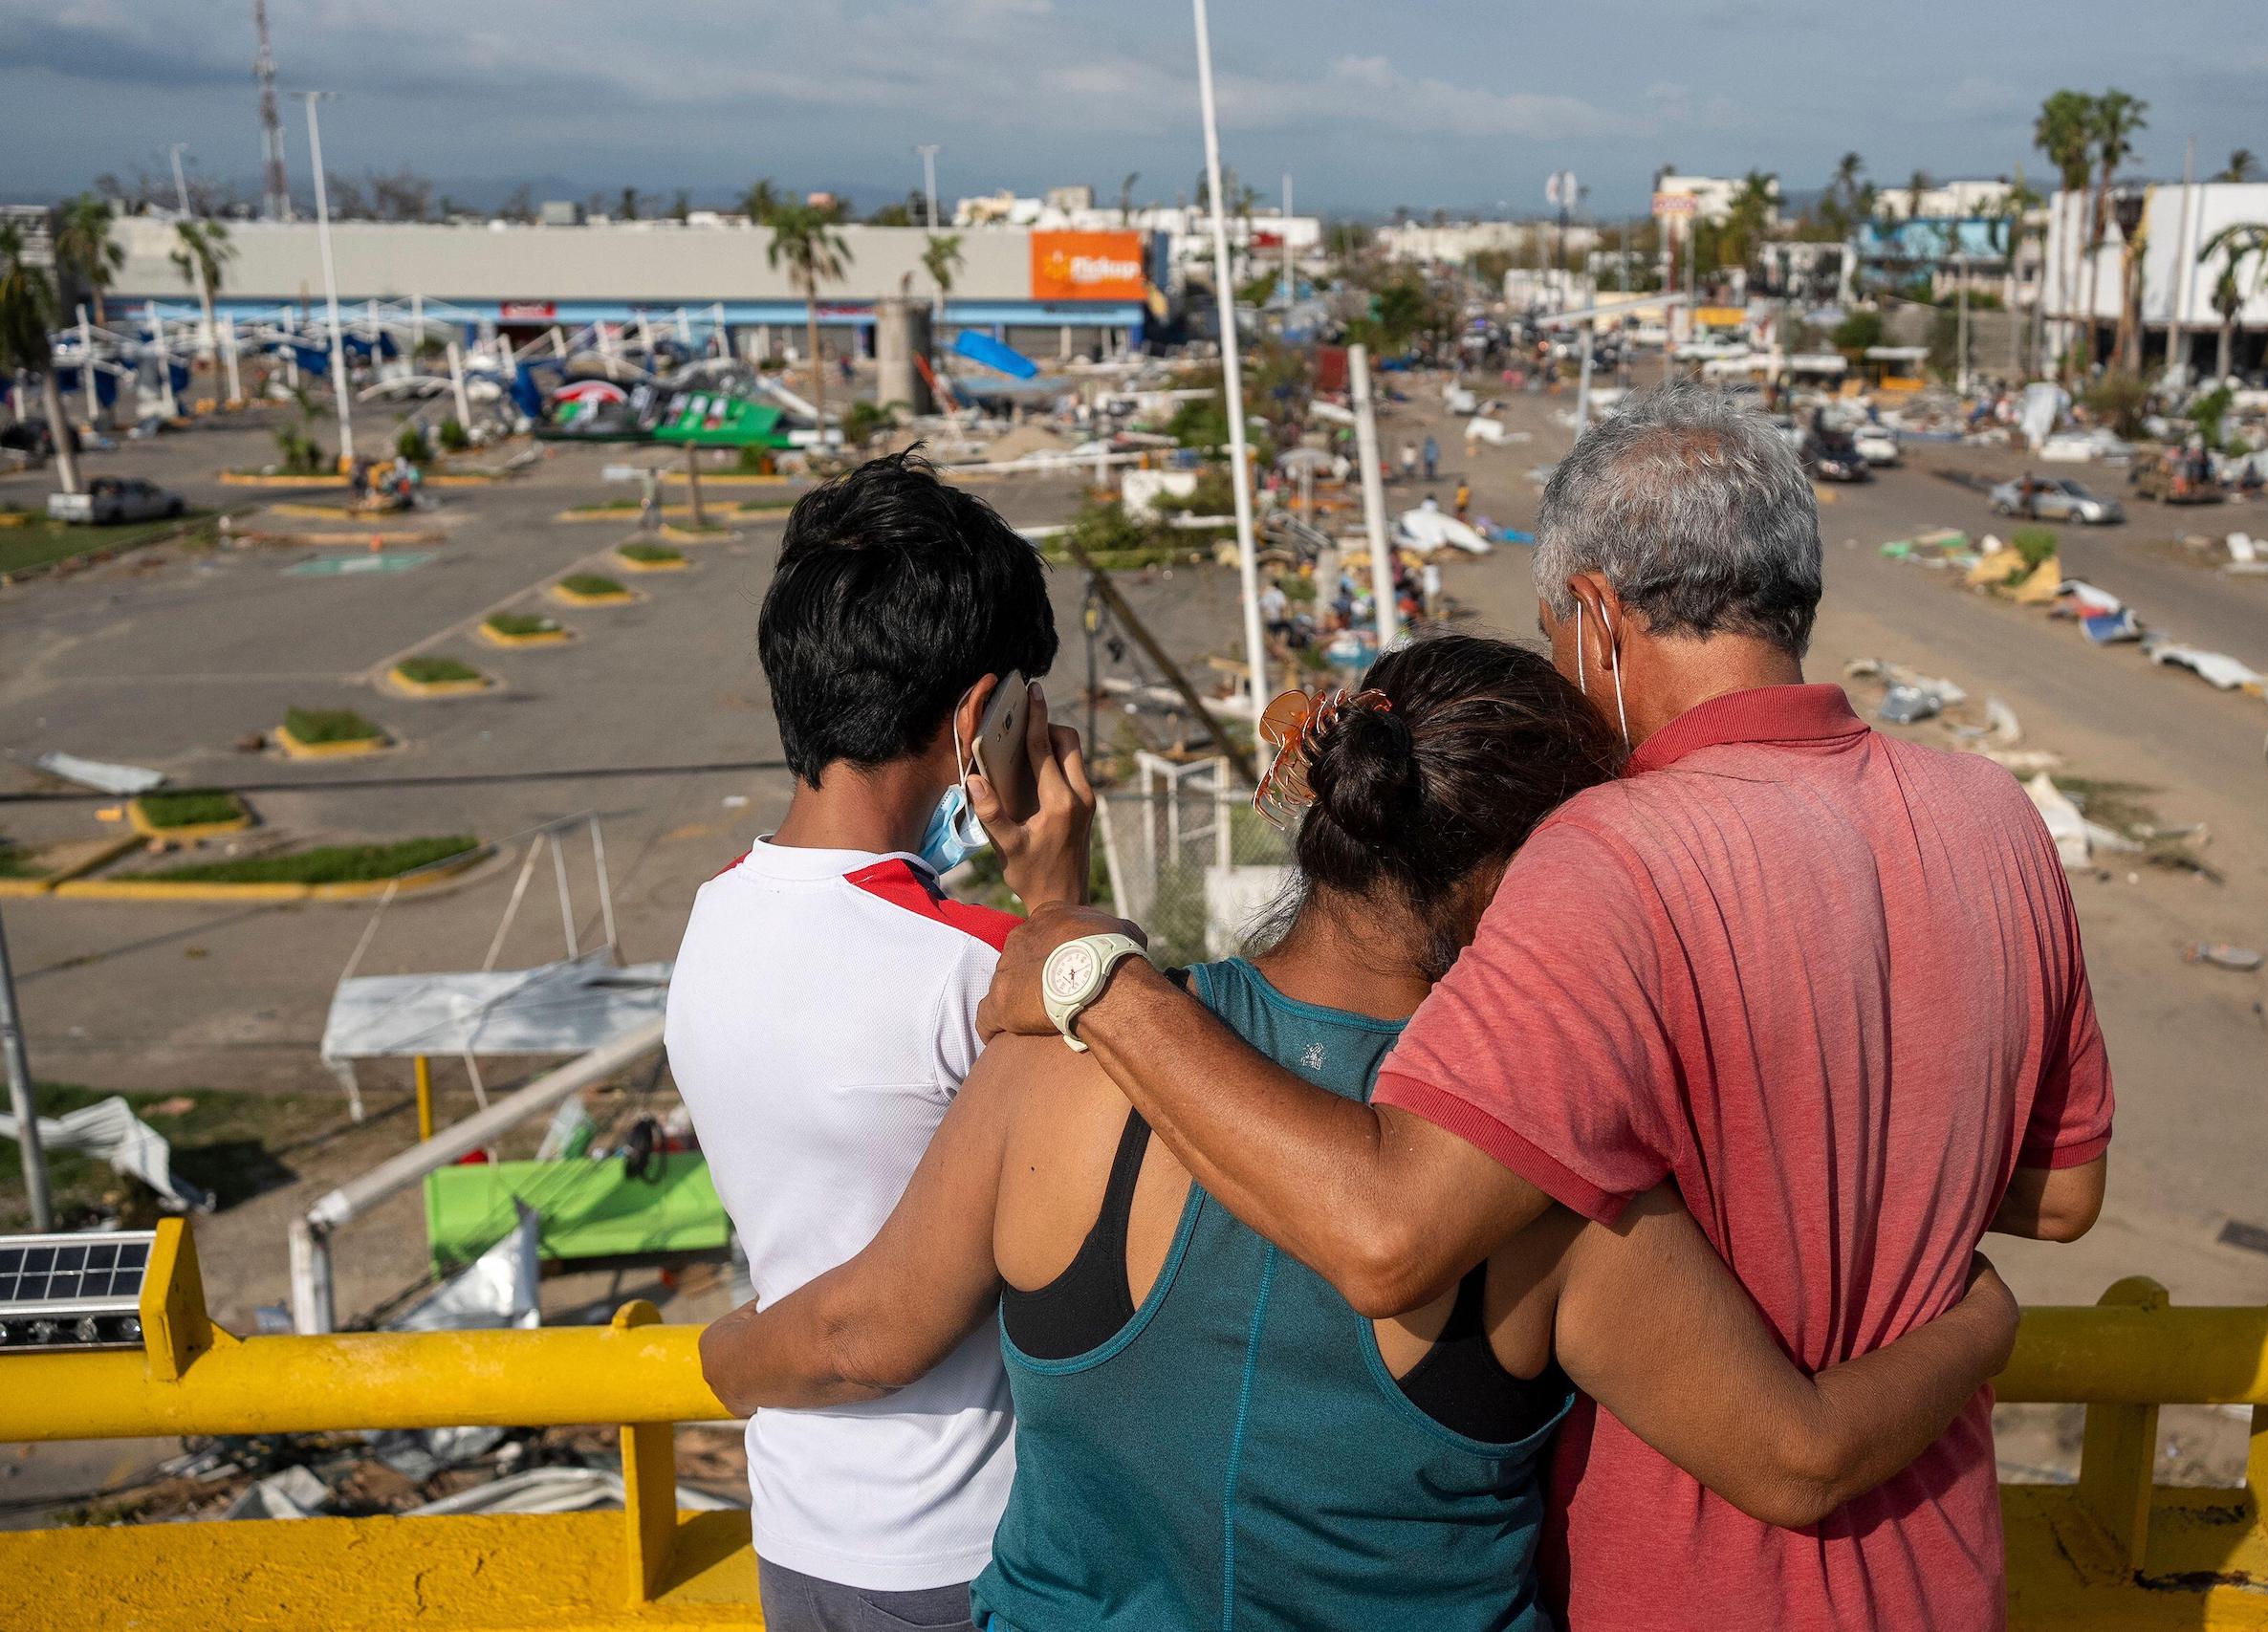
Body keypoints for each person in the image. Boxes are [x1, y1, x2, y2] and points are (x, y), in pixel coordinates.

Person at [978, 385, 2113, 1632]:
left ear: (1594, 619)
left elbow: (1388, 1232)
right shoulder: (1996, 817)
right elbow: (2060, 1193)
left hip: (1682, 1587)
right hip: (1943, 1572)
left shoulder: (1604, 856)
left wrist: (1094, 969)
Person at [703, 636, 2023, 1632]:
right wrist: (1980, 1323)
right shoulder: (1546, 1189)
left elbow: (854, 1331)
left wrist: (714, 1354)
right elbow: (1796, 1456)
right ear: (1526, 880)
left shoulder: (1064, 1060)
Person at [667, 451, 1094, 1632]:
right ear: (981, 719)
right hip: (972, 1546)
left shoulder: (712, 919)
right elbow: (1099, 1209)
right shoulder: (975, 967)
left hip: (800, 1528)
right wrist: (1060, 906)